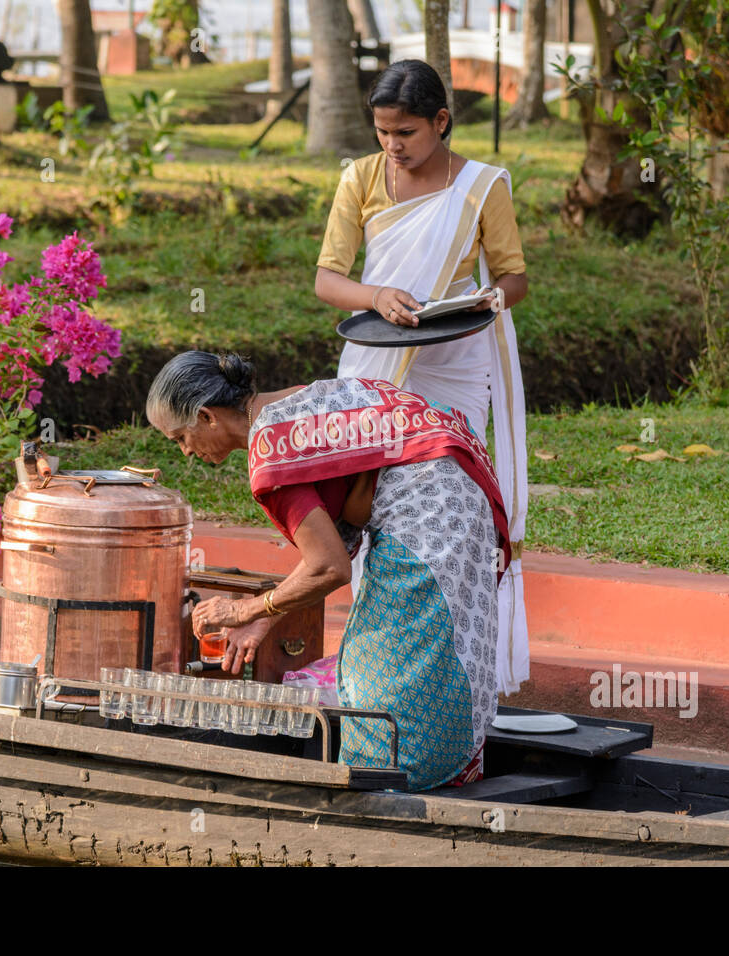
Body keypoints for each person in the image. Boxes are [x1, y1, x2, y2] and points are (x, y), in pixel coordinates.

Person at [145, 351, 512, 791]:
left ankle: (389, 794)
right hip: (461, 499)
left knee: (381, 670)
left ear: (206, 416)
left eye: (180, 437)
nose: (186, 452)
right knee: (443, 651)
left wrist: (244, 610)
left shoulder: (270, 452)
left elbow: (329, 567)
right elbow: (344, 530)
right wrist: (267, 618)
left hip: (425, 524)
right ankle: (447, 779)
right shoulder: (294, 403)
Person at [313, 58, 531, 696]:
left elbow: (513, 277)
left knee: (450, 500)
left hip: (456, 360)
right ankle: (378, 667)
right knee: (372, 499)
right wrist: (376, 294)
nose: (392, 146)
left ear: (441, 121)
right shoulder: (359, 177)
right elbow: (328, 278)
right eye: (382, 132)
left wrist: (476, 305)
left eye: (405, 132)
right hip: (377, 352)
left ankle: (456, 668)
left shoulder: (483, 186)